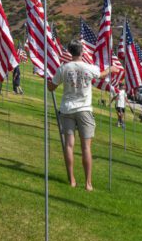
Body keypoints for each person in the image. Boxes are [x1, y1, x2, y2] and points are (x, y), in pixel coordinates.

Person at [48, 41, 115, 191]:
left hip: (67, 110)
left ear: (70, 52)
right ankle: (88, 183)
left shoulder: (63, 68)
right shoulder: (89, 68)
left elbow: (51, 87)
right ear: (82, 52)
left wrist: (49, 80)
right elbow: (100, 74)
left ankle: (72, 179)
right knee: (86, 148)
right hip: (84, 109)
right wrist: (110, 69)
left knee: (69, 145)